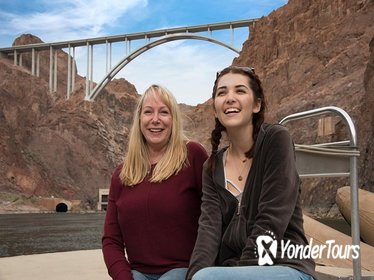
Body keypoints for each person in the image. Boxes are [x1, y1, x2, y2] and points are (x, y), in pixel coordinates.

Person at [186, 66, 316, 280]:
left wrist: (240, 271)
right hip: (234, 271)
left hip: (285, 266)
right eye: (222, 93)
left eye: (240, 91)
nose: (229, 98)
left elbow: (271, 220)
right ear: (215, 109)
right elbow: (208, 232)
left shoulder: (276, 140)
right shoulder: (212, 167)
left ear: (256, 104)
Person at [102, 84, 208, 280]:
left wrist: (200, 269)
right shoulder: (121, 174)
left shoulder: (193, 156)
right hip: (136, 273)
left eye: (164, 112)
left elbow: (213, 219)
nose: (155, 120)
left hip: (183, 270)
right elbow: (111, 240)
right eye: (148, 112)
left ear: (174, 119)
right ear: (139, 119)